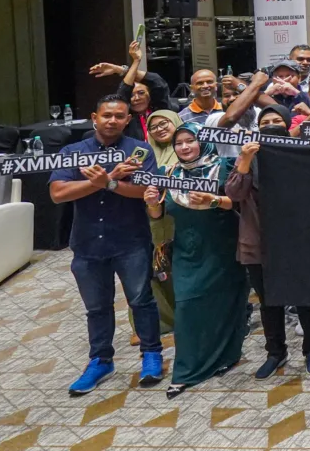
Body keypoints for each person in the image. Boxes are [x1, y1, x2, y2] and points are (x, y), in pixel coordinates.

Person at [48, 94, 163, 394]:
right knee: (97, 308)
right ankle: (100, 361)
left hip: (131, 241)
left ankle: (152, 354)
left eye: (119, 116)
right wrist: (105, 179)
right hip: (87, 244)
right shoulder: (73, 152)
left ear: (127, 120)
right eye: (107, 115)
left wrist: (109, 183)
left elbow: (144, 191)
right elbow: (58, 193)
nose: (112, 120)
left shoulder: (139, 150)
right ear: (94, 118)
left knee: (141, 301)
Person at [142, 124, 248, 397]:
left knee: (224, 304)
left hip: (224, 248)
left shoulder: (225, 167)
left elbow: (241, 202)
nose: (185, 147)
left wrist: (214, 200)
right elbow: (159, 214)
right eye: (179, 143)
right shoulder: (169, 173)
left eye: (190, 140)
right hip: (187, 251)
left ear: (203, 142)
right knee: (187, 308)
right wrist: (152, 203)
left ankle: (227, 356)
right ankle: (186, 372)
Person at [225, 104, 310, 378]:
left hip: (297, 240)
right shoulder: (247, 157)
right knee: (269, 301)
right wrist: (245, 160)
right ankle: (276, 352)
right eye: (264, 122)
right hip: (258, 241)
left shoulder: (302, 153)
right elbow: (234, 193)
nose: (270, 125)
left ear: (288, 125)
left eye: (277, 121)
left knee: (306, 296)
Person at [142, 109, 184, 332]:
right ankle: (164, 321)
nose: (159, 129)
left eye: (164, 123)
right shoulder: (144, 155)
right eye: (153, 127)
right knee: (158, 269)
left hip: (184, 219)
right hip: (154, 219)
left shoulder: (189, 147)